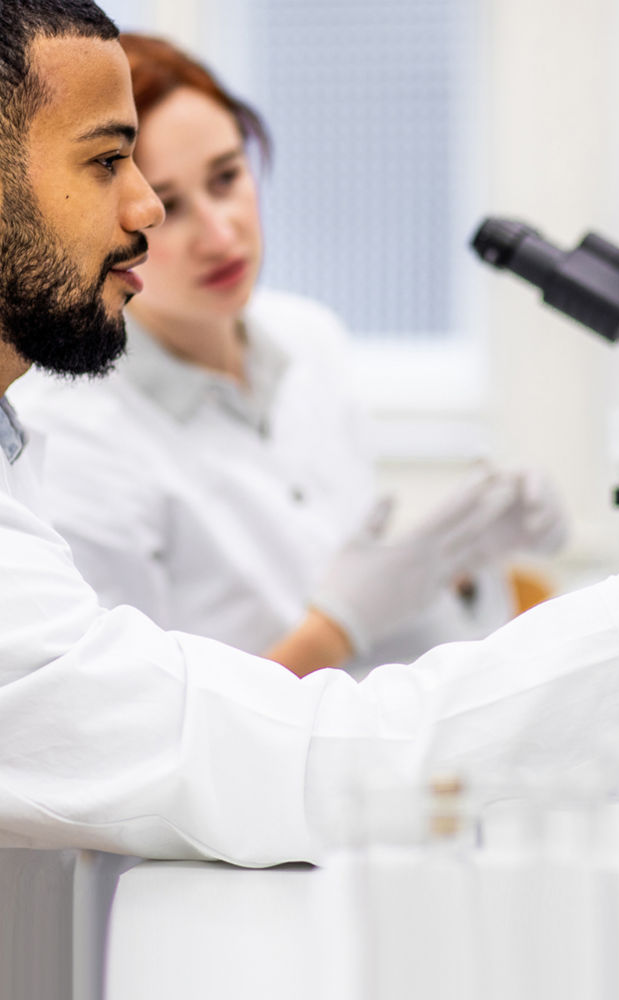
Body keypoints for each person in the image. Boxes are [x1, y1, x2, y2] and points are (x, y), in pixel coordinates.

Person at [0, 0, 619, 868]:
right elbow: (268, 756)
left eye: (227, 176)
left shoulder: (299, 347)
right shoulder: (82, 430)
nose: (154, 215)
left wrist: (464, 581)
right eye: (107, 162)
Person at [12, 31, 568, 678]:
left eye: (227, 177)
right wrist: (337, 628)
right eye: (171, 206)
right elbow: (137, 724)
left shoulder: (310, 339)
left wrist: (455, 566)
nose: (220, 235)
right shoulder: (74, 436)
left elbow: (379, 621)